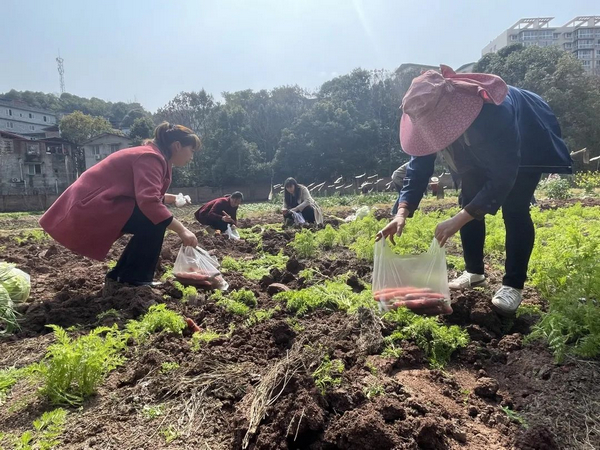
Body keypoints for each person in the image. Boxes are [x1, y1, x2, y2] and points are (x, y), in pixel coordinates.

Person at [377, 66, 572, 315]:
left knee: (515, 208)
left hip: (526, 136)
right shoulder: (428, 115)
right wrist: (401, 213)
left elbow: (503, 176)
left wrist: (459, 219)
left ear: (450, 113)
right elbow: (418, 168)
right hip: (476, 149)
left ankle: (513, 285)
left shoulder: (494, 111)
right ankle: (474, 272)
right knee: (468, 198)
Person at [40, 122, 201, 293]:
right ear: (177, 146)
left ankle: (123, 277)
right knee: (153, 220)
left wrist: (170, 198)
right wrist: (182, 230)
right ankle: (132, 279)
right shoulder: (150, 157)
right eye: (191, 150)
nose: (191, 156)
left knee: (153, 218)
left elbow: (142, 193)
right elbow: (148, 202)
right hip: (90, 205)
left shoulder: (154, 155)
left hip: (96, 203)